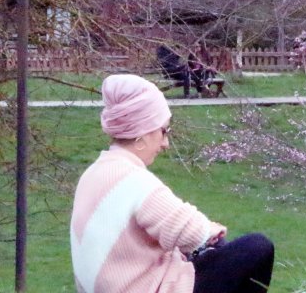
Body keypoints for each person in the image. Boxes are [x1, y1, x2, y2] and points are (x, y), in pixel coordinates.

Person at [71, 74, 274, 293]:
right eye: (163, 131)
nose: (165, 143)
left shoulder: (94, 173)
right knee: (256, 247)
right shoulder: (132, 180)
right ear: (143, 132)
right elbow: (194, 233)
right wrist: (212, 231)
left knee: (206, 253)